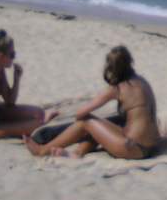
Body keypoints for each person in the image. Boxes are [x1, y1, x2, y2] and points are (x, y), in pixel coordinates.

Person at [24, 45, 159, 160]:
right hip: (151, 145)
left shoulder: (117, 88)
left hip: (133, 147)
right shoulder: (142, 81)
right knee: (99, 125)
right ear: (130, 62)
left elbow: (80, 114)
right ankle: (77, 153)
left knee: (86, 121)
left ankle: (42, 150)